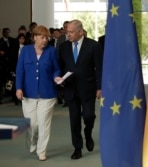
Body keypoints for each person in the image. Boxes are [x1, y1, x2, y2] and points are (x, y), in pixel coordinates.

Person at [15, 25, 62, 161]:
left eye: (47, 37)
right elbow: (20, 71)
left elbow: (56, 69)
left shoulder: (51, 51)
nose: (45, 40)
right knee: (33, 125)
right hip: (28, 94)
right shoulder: (25, 51)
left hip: (47, 94)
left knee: (43, 124)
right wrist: (18, 88)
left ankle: (42, 151)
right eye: (42, 37)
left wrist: (56, 77)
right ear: (34, 37)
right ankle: (33, 142)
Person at [58, 19, 103, 160]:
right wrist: (59, 80)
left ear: (80, 31)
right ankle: (77, 147)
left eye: (71, 32)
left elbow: (100, 69)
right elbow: (60, 66)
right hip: (70, 89)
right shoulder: (64, 47)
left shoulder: (93, 46)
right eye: (67, 32)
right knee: (74, 120)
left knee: (89, 116)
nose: (68, 35)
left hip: (88, 88)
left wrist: (100, 87)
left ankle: (88, 133)